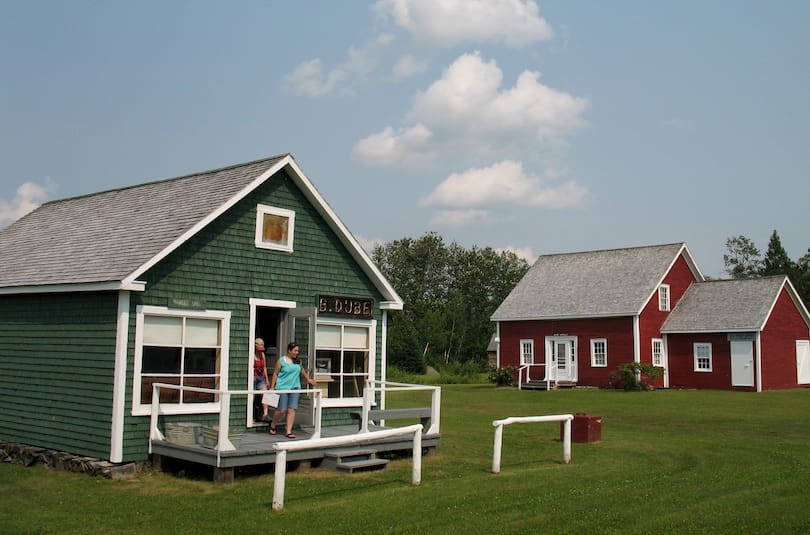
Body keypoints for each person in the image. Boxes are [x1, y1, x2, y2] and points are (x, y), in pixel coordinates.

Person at [269, 342, 316, 439]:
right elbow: (275, 374)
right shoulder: (281, 361)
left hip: (295, 388)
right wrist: (272, 387)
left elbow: (301, 370)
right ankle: (273, 425)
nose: (296, 353)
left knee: (292, 409)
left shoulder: (298, 361)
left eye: (297, 351)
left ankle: (288, 431)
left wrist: (308, 379)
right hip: (282, 388)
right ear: (289, 350)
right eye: (295, 350)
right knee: (281, 410)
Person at [253, 338, 271, 421]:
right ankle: (251, 414)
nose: (260, 351)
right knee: (252, 396)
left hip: (261, 377)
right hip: (253, 377)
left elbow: (264, 367)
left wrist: (266, 379)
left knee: (265, 393)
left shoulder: (262, 355)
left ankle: (265, 413)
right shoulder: (251, 355)